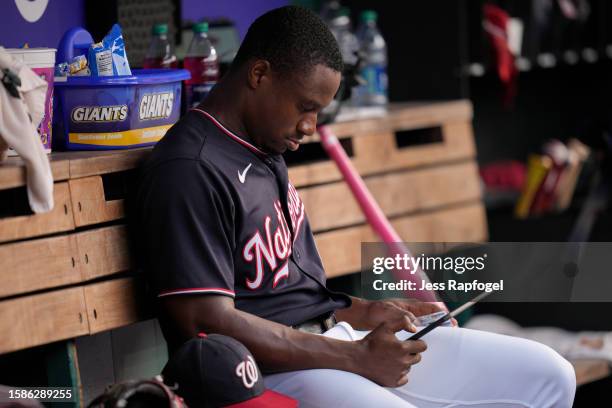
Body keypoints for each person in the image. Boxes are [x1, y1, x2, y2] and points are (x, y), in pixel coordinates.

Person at [135, 6, 576, 407]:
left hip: (337, 343)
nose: (310, 126)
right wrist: (355, 357)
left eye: (319, 112)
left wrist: (368, 311)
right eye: (306, 107)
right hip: (264, 373)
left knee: (549, 376)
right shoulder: (190, 167)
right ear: (259, 75)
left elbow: (298, 296)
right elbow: (202, 323)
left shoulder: (265, 144)